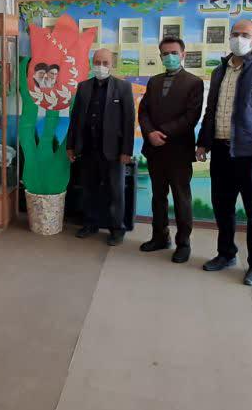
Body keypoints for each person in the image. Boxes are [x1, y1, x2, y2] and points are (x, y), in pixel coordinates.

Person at [196, 20, 252, 286]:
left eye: (245, 34)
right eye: (235, 34)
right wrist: (203, 142)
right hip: (220, 151)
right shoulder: (219, 72)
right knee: (222, 207)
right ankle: (226, 254)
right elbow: (211, 110)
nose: (239, 38)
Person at [137, 36, 204, 263]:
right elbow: (143, 111)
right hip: (154, 150)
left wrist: (161, 133)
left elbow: (191, 117)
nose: (170, 57)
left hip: (179, 151)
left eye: (174, 52)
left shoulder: (194, 82)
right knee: (158, 197)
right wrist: (149, 133)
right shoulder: (154, 81)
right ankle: (160, 237)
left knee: (181, 198)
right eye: (165, 53)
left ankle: (183, 244)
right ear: (160, 56)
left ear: (183, 54)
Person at [66, 48, 136, 246]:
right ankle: (90, 224)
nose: (101, 66)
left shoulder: (123, 87)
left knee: (115, 192)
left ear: (111, 65)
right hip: (88, 149)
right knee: (89, 190)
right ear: (92, 63)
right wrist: (71, 146)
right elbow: (75, 119)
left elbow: (129, 121)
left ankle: (117, 229)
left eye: (105, 63)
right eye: (97, 62)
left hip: (114, 151)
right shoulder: (83, 87)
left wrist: (127, 151)